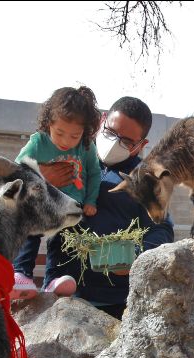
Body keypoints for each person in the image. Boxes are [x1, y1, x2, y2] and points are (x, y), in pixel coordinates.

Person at [41, 96, 174, 319]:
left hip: (113, 301)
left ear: (141, 145)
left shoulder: (147, 180)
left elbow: (161, 230)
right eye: (111, 133)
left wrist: (135, 256)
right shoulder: (70, 155)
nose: (114, 143)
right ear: (103, 120)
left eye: (127, 142)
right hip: (61, 289)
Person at [11, 86, 102, 299]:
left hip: (69, 206)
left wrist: (90, 200)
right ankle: (21, 274)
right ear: (49, 123)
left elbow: (95, 174)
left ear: (85, 132)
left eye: (74, 135)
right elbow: (17, 169)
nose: (66, 141)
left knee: (68, 237)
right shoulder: (38, 141)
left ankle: (56, 279)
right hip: (39, 202)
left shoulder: (87, 148)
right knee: (27, 228)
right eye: (59, 133)